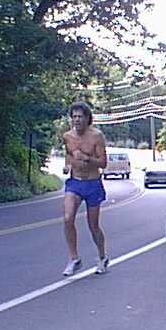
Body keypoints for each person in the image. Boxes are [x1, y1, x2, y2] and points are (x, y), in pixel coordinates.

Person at [61, 101, 110, 276]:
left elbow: (103, 163)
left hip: (92, 183)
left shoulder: (96, 136)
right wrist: (67, 166)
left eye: (80, 116)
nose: (77, 120)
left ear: (87, 118)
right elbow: (69, 155)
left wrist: (86, 158)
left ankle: (102, 257)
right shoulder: (67, 136)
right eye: (74, 117)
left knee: (93, 225)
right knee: (68, 218)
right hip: (75, 182)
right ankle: (74, 258)